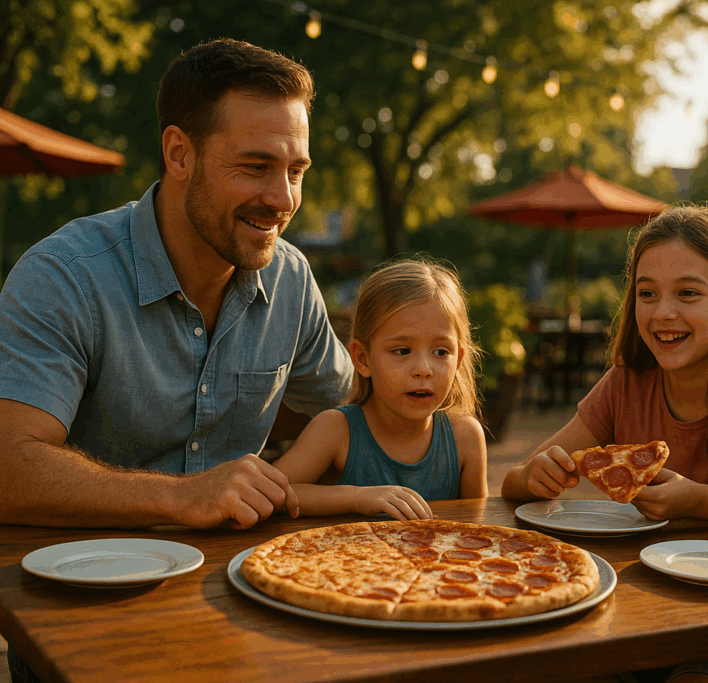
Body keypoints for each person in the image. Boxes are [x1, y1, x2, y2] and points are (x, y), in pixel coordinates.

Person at [0, 38, 353, 532]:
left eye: (296, 171)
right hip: (81, 588)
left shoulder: (291, 280)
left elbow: (365, 413)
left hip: (238, 579)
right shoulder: (65, 276)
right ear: (179, 154)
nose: (283, 199)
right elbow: (8, 470)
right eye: (256, 167)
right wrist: (182, 497)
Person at [502, 204, 708, 682]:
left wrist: (697, 499)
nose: (663, 313)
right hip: (630, 618)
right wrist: (535, 476)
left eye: (688, 293)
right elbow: (513, 483)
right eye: (646, 293)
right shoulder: (624, 385)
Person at [273, 259, 488, 518]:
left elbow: (479, 527)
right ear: (363, 359)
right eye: (402, 351)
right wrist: (358, 497)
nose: (423, 368)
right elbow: (275, 495)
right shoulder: (335, 430)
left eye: (441, 352)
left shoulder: (465, 438)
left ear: (459, 361)